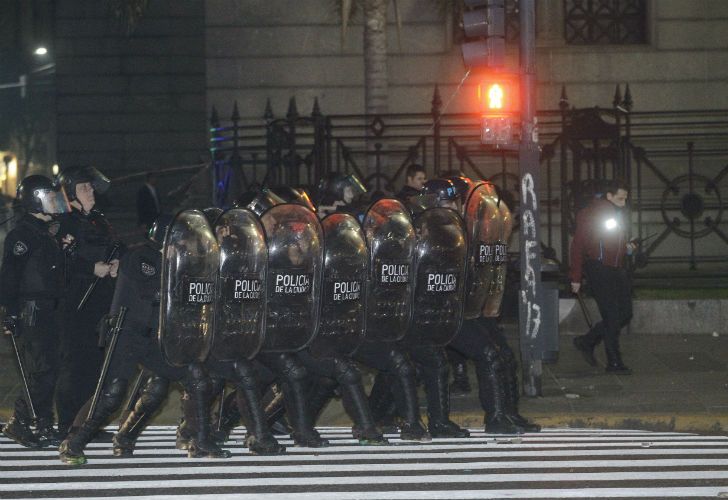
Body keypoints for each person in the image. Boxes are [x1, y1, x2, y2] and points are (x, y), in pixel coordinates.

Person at [58, 215, 231, 465]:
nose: (183, 245)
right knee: (112, 394)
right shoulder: (141, 257)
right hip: (126, 334)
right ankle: (74, 443)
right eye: (178, 240)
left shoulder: (174, 262)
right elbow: (151, 292)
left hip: (154, 340)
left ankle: (202, 440)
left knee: (195, 375)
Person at [1, 175, 74, 447]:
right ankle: (24, 422)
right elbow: (10, 276)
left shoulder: (46, 232)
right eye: (51, 197)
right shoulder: (23, 235)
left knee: (50, 368)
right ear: (36, 199)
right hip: (31, 311)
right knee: (41, 369)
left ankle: (40, 421)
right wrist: (9, 311)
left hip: (50, 310)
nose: (55, 202)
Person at [55, 166, 121, 436]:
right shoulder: (62, 223)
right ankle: (67, 424)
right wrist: (89, 268)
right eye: (84, 188)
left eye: (91, 187)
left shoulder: (98, 220)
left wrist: (118, 262)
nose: (90, 192)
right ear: (70, 192)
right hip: (75, 303)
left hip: (100, 302)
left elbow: (116, 246)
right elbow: (57, 262)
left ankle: (86, 421)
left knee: (97, 364)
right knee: (74, 364)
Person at [570, 179, 634, 374]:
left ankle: (587, 341)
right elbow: (579, 245)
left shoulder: (613, 213)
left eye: (625, 199)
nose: (624, 202)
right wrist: (575, 277)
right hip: (599, 268)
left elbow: (611, 243)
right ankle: (614, 362)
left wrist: (627, 248)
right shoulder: (593, 213)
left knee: (623, 312)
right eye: (620, 198)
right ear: (609, 197)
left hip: (614, 268)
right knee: (614, 315)